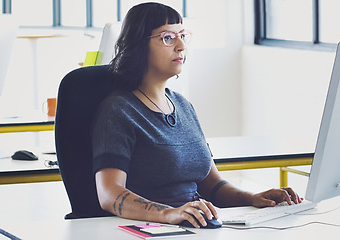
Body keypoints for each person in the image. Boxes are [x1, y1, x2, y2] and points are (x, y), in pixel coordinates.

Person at [92, 2, 302, 229]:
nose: (181, 46)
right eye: (168, 38)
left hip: (194, 223)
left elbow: (212, 185)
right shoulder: (118, 110)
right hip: (152, 228)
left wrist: (252, 198)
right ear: (138, 45)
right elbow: (110, 195)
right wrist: (169, 213)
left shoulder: (183, 106)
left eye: (183, 35)